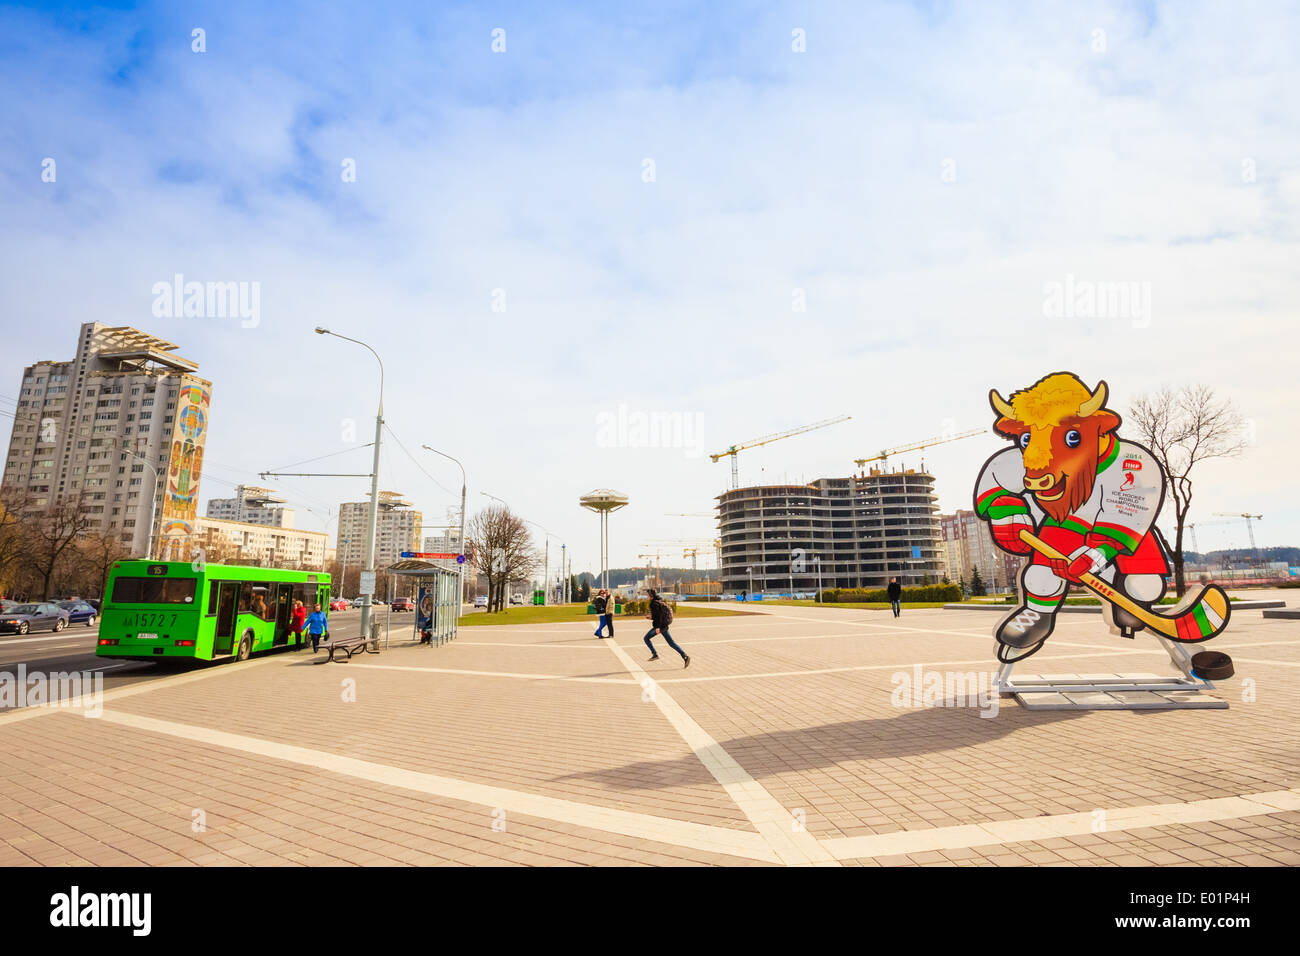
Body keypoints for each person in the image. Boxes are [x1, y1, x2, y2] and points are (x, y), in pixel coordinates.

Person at [643, 588, 689, 668]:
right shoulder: (659, 601)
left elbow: (659, 616)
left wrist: (657, 627)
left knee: (646, 638)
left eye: (647, 594)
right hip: (664, 625)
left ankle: (654, 654)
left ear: (651, 595)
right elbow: (657, 615)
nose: (646, 596)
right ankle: (685, 656)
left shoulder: (653, 603)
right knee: (671, 643)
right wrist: (651, 617)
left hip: (660, 626)